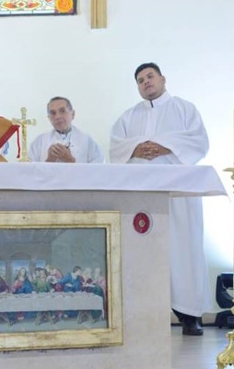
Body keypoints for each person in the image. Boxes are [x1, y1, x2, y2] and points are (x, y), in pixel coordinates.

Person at [109, 62, 210, 336]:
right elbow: (116, 147)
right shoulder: (129, 117)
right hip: (142, 196)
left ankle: (189, 314)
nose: (146, 82)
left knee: (183, 251)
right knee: (143, 253)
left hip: (178, 194)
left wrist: (167, 146)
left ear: (163, 78)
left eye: (150, 77)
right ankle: (143, 314)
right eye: (140, 80)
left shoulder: (184, 109)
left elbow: (200, 142)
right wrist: (136, 148)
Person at [28, 96, 104, 163]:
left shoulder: (87, 141)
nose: (57, 117)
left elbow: (98, 171)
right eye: (53, 113)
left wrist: (70, 160)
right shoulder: (39, 142)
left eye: (62, 111)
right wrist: (49, 160)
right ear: (49, 118)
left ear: (73, 114)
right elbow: (30, 173)